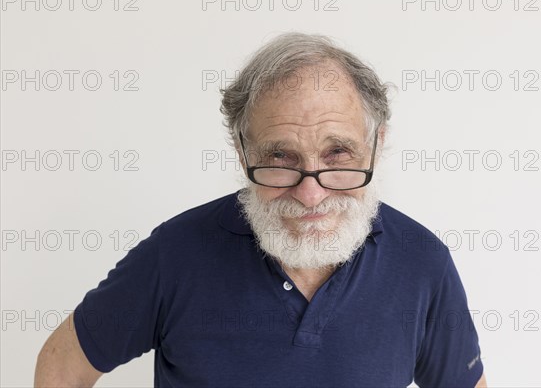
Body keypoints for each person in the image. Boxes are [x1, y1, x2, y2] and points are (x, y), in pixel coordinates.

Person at [35, 32, 487, 387]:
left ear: (377, 145)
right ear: (241, 150)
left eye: (337, 155)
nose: (311, 195)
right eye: (281, 158)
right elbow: (62, 368)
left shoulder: (423, 261)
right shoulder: (173, 255)